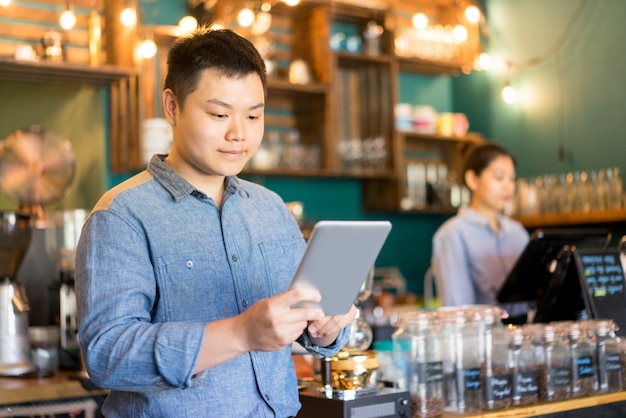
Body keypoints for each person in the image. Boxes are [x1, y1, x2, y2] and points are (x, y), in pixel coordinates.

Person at [75, 27, 356, 418]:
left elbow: (312, 322)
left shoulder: (270, 208)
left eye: (254, 115)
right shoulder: (122, 215)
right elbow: (107, 355)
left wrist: (329, 328)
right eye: (219, 114)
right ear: (172, 107)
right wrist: (240, 333)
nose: (238, 133)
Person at [431, 142, 529, 323]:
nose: (508, 186)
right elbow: (456, 310)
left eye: (511, 179)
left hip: (523, 340)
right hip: (480, 341)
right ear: (473, 180)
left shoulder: (518, 233)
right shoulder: (452, 234)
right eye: (499, 178)